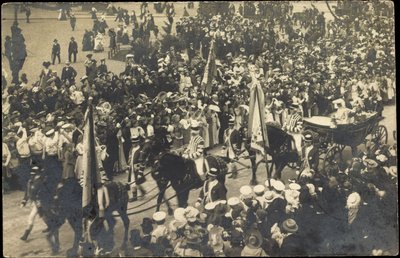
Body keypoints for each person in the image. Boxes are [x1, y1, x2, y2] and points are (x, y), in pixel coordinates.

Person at [19, 166, 46, 241]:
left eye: (35, 172)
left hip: (40, 202)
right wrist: (24, 201)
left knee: (32, 217)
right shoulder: (30, 180)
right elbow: (27, 192)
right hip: (34, 202)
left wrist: (40, 201)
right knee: (44, 217)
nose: (33, 174)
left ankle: (25, 235)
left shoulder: (42, 181)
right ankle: (51, 226)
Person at [127, 135, 146, 202]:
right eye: (132, 143)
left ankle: (142, 191)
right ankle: (135, 196)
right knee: (132, 182)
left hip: (136, 168)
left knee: (137, 182)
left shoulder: (140, 150)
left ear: (138, 142)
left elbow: (142, 161)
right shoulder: (131, 149)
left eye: (135, 143)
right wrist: (128, 165)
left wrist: (140, 170)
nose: (133, 144)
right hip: (131, 168)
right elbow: (130, 158)